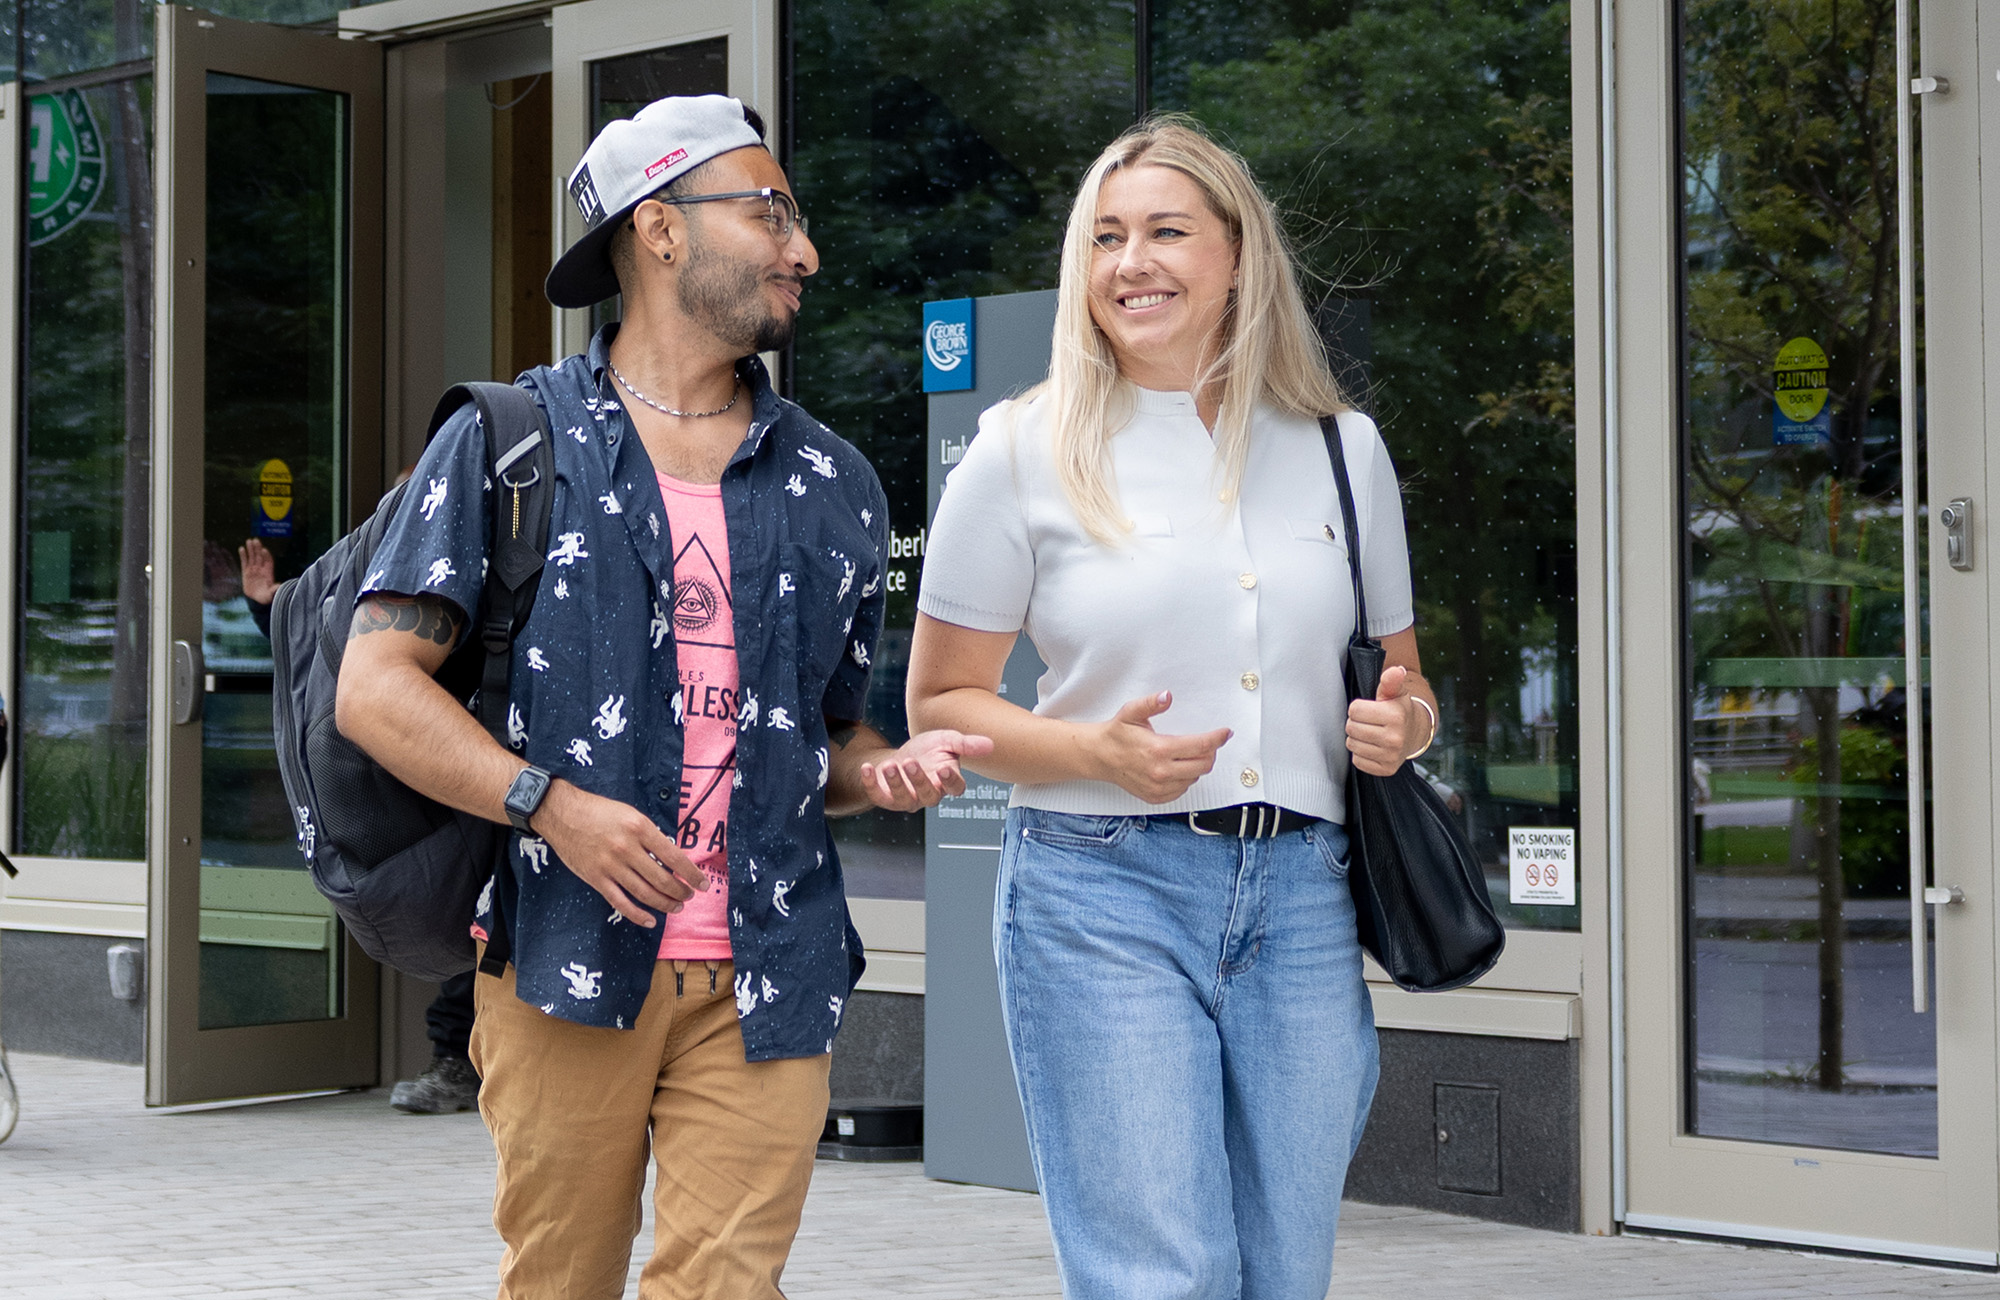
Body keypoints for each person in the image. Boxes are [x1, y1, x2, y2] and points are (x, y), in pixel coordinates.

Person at [335, 94, 987, 1299]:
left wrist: (878, 770)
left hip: (769, 970)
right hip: (561, 961)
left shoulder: (833, 482)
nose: (805, 250)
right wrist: (551, 806)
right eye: (770, 211)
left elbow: (828, 741)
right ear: (661, 230)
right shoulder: (513, 445)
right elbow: (374, 691)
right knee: (561, 1281)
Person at [907, 116, 1434, 1300]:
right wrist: (1082, 747)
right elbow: (940, 697)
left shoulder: (1344, 452)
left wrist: (1403, 730)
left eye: (1163, 231)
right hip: (1097, 889)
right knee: (1161, 1276)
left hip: (1301, 894)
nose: (1128, 262)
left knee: (1283, 1273)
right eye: (1104, 237)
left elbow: (1405, 685)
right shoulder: (1019, 449)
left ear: (1238, 255)